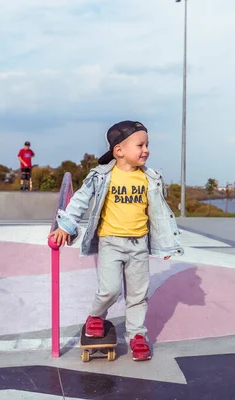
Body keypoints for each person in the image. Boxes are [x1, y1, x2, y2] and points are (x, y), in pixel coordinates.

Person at [48, 120, 184, 361]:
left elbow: (158, 213)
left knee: (137, 294)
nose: (146, 150)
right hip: (110, 242)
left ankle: (137, 335)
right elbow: (80, 200)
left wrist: (164, 243)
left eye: (147, 145)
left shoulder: (150, 178)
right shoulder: (103, 176)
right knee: (109, 290)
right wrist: (65, 226)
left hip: (139, 245)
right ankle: (96, 316)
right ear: (119, 150)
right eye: (140, 145)